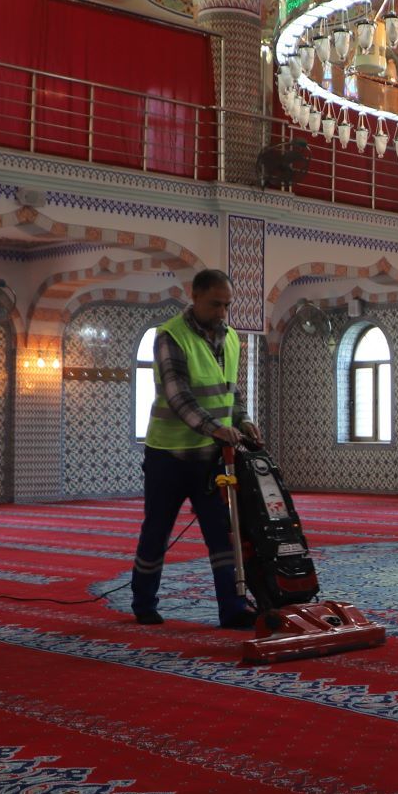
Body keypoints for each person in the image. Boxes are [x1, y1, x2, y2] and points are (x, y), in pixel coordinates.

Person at [127, 268, 263, 627]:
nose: (222, 312)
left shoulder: (232, 338)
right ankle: (143, 602)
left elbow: (230, 391)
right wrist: (216, 428)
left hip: (212, 459)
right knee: (157, 530)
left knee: (223, 534)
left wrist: (243, 420)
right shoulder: (170, 336)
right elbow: (178, 396)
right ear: (195, 296)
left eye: (227, 305)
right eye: (215, 304)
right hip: (168, 457)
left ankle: (233, 609)